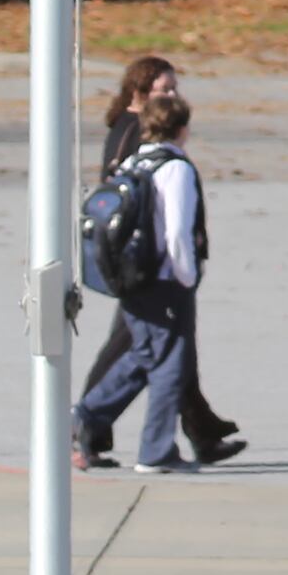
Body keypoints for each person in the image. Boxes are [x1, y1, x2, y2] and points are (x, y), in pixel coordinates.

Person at [79, 58, 241, 468]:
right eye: (164, 90)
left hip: (133, 272)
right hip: (163, 278)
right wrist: (186, 278)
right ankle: (153, 449)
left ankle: (86, 418)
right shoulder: (173, 167)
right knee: (166, 362)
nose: (171, 94)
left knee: (141, 358)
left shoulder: (136, 159)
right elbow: (176, 232)